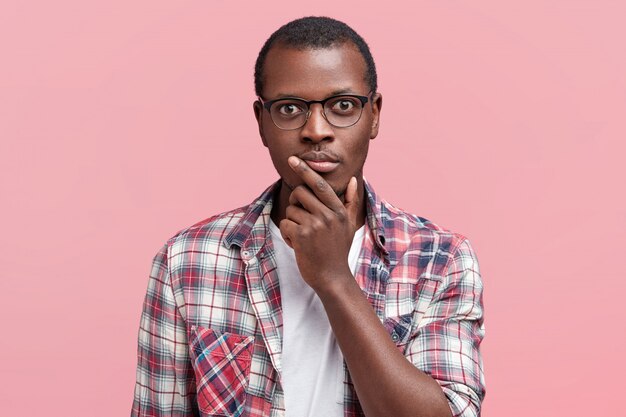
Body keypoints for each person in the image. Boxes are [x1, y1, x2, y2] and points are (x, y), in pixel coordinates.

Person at [131, 16, 485, 417]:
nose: (316, 130)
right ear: (261, 122)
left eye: (343, 105)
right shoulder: (186, 260)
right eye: (289, 108)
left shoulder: (441, 259)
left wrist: (334, 278)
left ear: (375, 115)